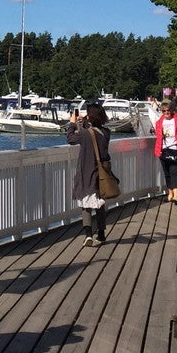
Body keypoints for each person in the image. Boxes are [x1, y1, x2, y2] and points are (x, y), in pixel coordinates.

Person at [67, 100, 113, 247]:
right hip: (101, 173)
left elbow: (71, 139)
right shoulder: (106, 133)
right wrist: (86, 121)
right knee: (99, 203)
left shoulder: (85, 134)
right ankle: (101, 233)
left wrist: (72, 124)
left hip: (86, 172)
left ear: (90, 117)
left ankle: (88, 234)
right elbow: (95, 133)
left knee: (86, 203)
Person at [155, 99, 177, 204]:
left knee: (175, 172)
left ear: (171, 110)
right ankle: (170, 193)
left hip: (175, 149)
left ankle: (175, 196)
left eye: (168, 110)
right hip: (163, 150)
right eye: (163, 111)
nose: (166, 113)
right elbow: (158, 136)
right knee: (167, 173)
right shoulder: (159, 122)